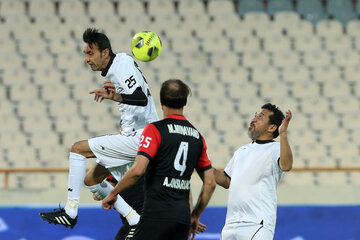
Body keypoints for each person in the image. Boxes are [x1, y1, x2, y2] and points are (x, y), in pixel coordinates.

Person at [39, 28, 159, 229]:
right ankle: (134, 220)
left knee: (78, 149)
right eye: (85, 53)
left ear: (105, 53)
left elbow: (141, 98)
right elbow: (137, 101)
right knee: (92, 180)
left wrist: (116, 97)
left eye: (90, 53)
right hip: (136, 134)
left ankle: (70, 211)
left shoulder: (120, 66)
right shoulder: (120, 64)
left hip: (142, 138)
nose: (86, 59)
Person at [102, 79, 216, 240]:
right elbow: (210, 183)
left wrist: (113, 193)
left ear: (161, 102)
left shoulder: (154, 130)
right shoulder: (197, 137)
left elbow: (138, 170)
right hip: (182, 218)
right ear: (184, 102)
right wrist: (195, 215)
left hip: (156, 214)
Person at [214, 103, 293, 240]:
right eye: (255, 115)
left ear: (272, 127)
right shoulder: (241, 151)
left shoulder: (275, 149)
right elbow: (226, 180)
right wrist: (202, 165)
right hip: (231, 224)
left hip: (257, 224)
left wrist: (283, 134)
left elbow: (286, 165)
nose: (254, 119)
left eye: (260, 116)